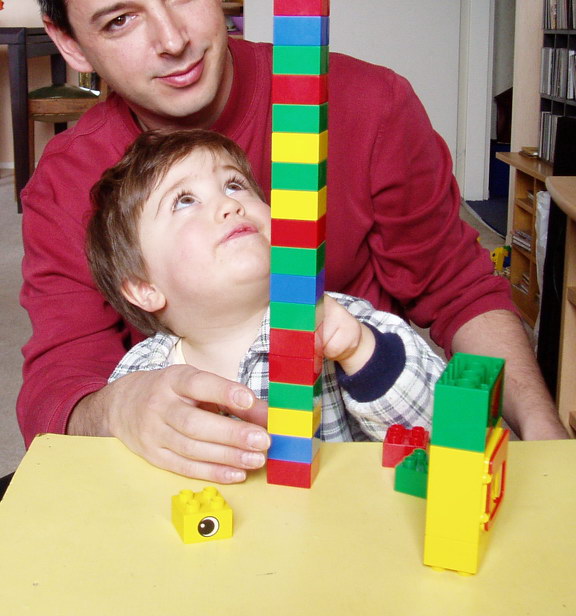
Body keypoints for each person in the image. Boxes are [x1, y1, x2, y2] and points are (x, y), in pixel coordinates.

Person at [16, 0, 566, 483]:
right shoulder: (67, 181)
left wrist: (542, 430)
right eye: (120, 20)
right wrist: (119, 408)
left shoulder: (371, 106)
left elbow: (459, 289)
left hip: (354, 475)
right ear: (69, 43)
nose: (172, 40)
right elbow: (60, 381)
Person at [86, 128, 445, 450]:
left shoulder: (343, 319)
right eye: (184, 200)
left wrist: (361, 351)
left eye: (234, 185)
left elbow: (445, 432)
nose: (230, 204)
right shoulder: (141, 376)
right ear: (144, 288)